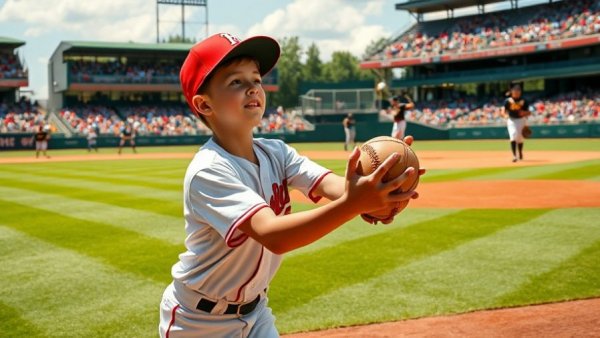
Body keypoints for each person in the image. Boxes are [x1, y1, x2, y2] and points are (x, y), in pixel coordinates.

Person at [158, 33, 424, 338]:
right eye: (236, 82)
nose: (253, 88)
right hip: (198, 323)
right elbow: (274, 236)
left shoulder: (276, 152)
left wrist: (381, 189)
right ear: (204, 104)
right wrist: (354, 204)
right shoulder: (209, 170)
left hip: (256, 312)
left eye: (256, 79)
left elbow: (334, 185)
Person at [501, 83, 531, 162]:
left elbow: (529, 112)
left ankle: (520, 152)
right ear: (511, 91)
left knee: (520, 139)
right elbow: (503, 111)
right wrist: (505, 115)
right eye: (515, 90)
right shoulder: (508, 101)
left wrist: (524, 113)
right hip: (511, 120)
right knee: (513, 136)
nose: (517, 91)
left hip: (521, 120)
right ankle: (514, 156)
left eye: (518, 90)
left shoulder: (523, 101)